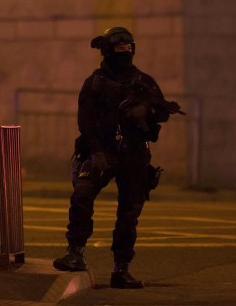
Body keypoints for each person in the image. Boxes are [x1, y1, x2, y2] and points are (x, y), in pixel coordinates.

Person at [53, 27, 176, 288]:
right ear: (108, 52)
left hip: (135, 154)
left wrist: (146, 109)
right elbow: (85, 123)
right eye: (120, 49)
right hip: (102, 151)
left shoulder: (144, 81)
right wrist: (96, 153)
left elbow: (164, 111)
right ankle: (75, 252)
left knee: (129, 213)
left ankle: (121, 268)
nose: (125, 53)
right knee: (82, 195)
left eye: (128, 48)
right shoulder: (95, 83)